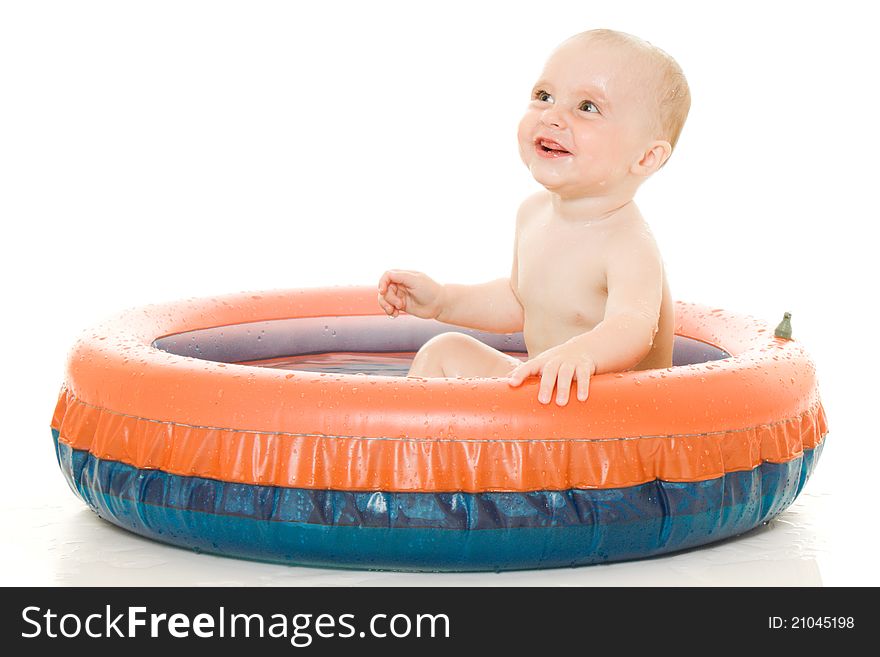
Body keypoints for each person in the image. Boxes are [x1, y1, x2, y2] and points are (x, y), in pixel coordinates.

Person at [377, 29, 690, 406]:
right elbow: (520, 299)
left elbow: (633, 327)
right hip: (551, 400)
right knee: (443, 352)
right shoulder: (533, 213)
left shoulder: (628, 243)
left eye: (587, 107)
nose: (552, 116)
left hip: (616, 419)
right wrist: (443, 301)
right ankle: (412, 461)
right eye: (545, 96)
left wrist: (583, 354)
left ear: (646, 158)